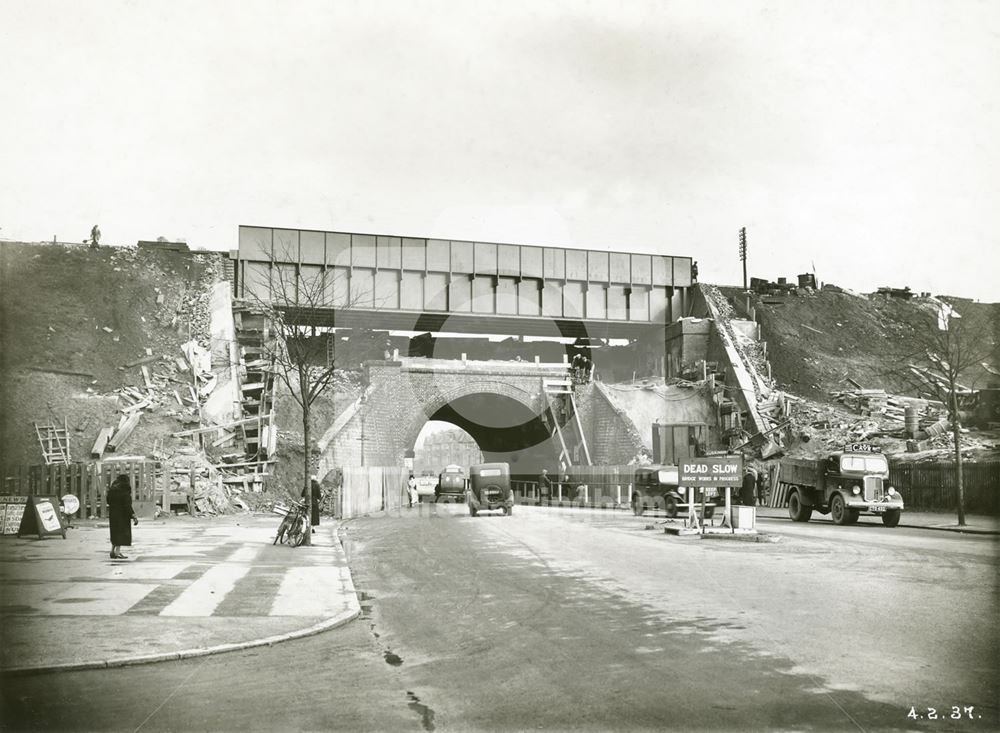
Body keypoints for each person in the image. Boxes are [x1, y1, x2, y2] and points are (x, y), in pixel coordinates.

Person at [107, 474, 138, 559]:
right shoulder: (125, 489)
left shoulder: (112, 489)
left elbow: (108, 501)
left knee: (114, 532)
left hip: (113, 514)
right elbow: (127, 504)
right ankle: (117, 552)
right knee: (120, 533)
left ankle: (112, 551)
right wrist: (133, 515)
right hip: (122, 515)